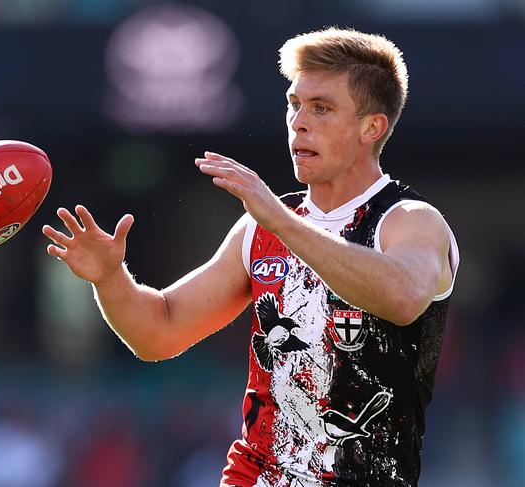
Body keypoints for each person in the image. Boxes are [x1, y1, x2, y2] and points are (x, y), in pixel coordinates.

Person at [42, 27, 459, 486]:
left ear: (371, 127)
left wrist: (283, 221)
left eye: (321, 108)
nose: (299, 122)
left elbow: (403, 296)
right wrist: (110, 277)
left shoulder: (409, 220)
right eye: (294, 104)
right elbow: (157, 333)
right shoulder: (262, 227)